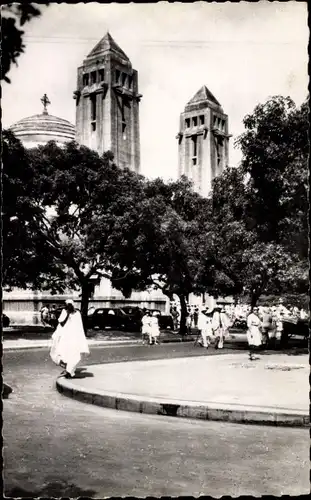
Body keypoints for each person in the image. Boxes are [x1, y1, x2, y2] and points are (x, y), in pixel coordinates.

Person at [50, 299, 89, 378]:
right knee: (62, 353)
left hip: (73, 337)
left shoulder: (77, 313)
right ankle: (68, 369)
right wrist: (67, 314)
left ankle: (69, 371)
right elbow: (62, 323)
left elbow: (79, 326)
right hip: (65, 336)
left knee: (73, 354)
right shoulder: (65, 312)